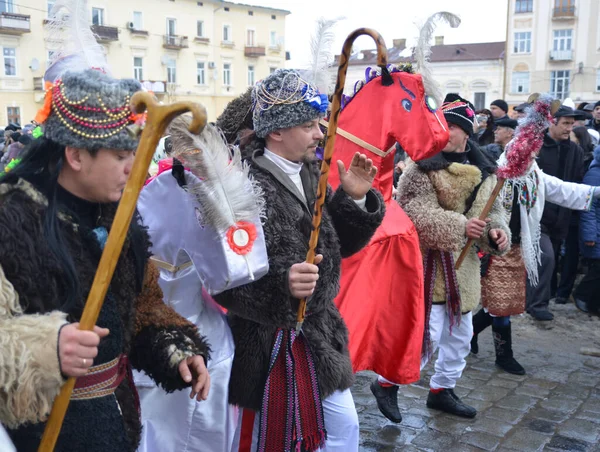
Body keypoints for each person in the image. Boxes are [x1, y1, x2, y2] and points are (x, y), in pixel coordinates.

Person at [0, 68, 211, 451]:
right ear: (76, 155)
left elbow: (142, 307)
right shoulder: (10, 221)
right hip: (43, 434)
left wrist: (174, 349)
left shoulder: (120, 216)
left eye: (135, 154)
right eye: (120, 155)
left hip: (118, 424)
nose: (135, 167)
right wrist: (47, 346)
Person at [214, 68, 385, 451]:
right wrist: (281, 283)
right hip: (266, 343)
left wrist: (354, 199)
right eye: (309, 125)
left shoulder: (313, 171)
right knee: (270, 439)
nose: (320, 133)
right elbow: (222, 275)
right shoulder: (239, 186)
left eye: (319, 123)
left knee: (342, 433)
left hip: (320, 336)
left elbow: (336, 244)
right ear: (276, 131)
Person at [396, 93, 510, 418]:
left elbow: (495, 213)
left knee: (460, 336)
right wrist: (462, 226)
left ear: (465, 132)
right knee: (424, 336)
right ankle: (387, 383)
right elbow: (415, 214)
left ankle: (442, 390)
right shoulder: (420, 167)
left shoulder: (487, 172)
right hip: (429, 267)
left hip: (465, 271)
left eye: (448, 125)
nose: (441, 130)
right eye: (438, 124)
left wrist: (495, 233)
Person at [472, 105, 600, 375]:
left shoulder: (533, 175)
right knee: (500, 303)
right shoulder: (497, 174)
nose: (534, 154)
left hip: (520, 246)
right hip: (496, 247)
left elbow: (562, 190)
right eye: (530, 150)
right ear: (517, 149)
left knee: (501, 302)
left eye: (536, 150)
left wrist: (596, 193)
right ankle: (504, 355)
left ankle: (472, 333)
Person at [526, 105, 585, 320]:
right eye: (565, 123)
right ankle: (537, 305)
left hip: (562, 216)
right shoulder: (537, 146)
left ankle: (533, 301)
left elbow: (575, 182)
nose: (569, 128)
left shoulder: (575, 151)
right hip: (536, 215)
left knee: (546, 261)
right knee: (546, 257)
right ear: (552, 122)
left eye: (572, 124)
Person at [574, 145, 600, 314]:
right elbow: (588, 207)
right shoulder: (595, 174)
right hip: (596, 230)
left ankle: (594, 304)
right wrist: (590, 234)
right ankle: (581, 296)